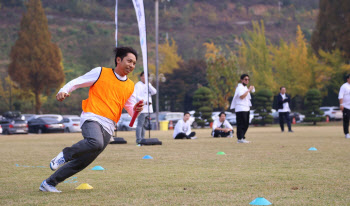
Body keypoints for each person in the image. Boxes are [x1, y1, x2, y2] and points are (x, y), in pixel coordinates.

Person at [39, 47, 143, 193]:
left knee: (83, 161)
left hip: (109, 126)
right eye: (129, 61)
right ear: (118, 60)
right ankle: (64, 154)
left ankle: (49, 183)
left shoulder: (130, 86)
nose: (131, 66)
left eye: (134, 63)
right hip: (92, 117)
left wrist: (137, 110)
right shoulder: (100, 72)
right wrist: (63, 90)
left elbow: (131, 109)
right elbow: (77, 82)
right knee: (95, 142)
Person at [133, 72, 157, 144]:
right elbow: (136, 96)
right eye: (143, 76)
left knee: (144, 125)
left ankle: (143, 138)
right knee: (140, 124)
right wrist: (144, 102)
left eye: (146, 77)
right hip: (142, 108)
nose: (144, 78)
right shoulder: (138, 85)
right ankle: (138, 139)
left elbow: (154, 92)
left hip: (148, 109)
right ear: (140, 77)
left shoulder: (148, 84)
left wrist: (149, 84)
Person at [230, 74, 254, 143]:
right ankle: (240, 138)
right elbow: (242, 96)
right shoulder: (239, 87)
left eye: (248, 79)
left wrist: (249, 89)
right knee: (241, 123)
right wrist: (249, 90)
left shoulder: (245, 88)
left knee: (246, 124)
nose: (247, 81)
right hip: (240, 108)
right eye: (245, 79)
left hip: (246, 107)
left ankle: (242, 137)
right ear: (241, 80)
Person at [339, 74, 350, 139]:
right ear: (347, 79)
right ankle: (347, 133)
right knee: (346, 120)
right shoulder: (344, 86)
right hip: (346, 106)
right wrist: (341, 104)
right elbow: (341, 96)